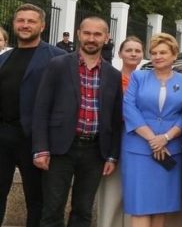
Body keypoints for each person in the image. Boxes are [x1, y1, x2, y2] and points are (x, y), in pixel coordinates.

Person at [32, 16, 123, 227]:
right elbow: (41, 108)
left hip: (95, 151)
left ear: (106, 38)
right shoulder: (58, 65)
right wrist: (41, 148)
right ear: (79, 34)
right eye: (87, 33)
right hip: (60, 149)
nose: (92, 38)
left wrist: (111, 155)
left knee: (83, 211)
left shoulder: (112, 74)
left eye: (98, 34)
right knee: (52, 210)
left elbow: (115, 120)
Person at [0, 4, 66, 227]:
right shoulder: (4, 57)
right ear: (15, 24)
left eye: (31, 21)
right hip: (3, 137)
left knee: (36, 200)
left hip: (34, 139)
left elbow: (64, 101)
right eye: (21, 21)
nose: (25, 25)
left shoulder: (58, 57)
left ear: (42, 25)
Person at [121, 33, 182, 227]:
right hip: (138, 149)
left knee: (162, 205)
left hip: (171, 149)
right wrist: (154, 139)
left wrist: (166, 138)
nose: (157, 56)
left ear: (174, 55)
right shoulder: (139, 76)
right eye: (154, 53)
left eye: (163, 52)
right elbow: (129, 107)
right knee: (140, 205)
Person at [96, 36, 146, 227]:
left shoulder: (146, 81)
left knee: (134, 191)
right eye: (129, 50)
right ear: (120, 54)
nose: (133, 54)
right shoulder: (109, 79)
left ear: (142, 55)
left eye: (137, 50)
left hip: (140, 141)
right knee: (112, 189)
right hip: (115, 139)